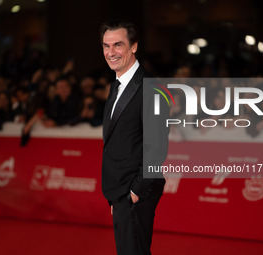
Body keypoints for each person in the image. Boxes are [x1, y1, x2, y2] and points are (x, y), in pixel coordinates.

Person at [100, 19, 168, 255]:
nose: (111, 52)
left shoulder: (152, 88)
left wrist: (134, 193)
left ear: (134, 46)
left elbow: (157, 147)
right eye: (106, 46)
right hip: (120, 193)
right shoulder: (117, 85)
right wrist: (117, 198)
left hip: (136, 192)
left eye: (118, 45)